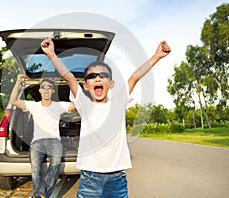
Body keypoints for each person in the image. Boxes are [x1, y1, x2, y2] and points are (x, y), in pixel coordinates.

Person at [41, 38, 171, 197]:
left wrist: (156, 56)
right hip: (90, 177)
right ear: (86, 86)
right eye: (92, 76)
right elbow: (70, 78)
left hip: (117, 178)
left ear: (111, 83)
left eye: (103, 75)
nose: (97, 78)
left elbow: (134, 77)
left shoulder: (118, 103)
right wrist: (52, 55)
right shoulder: (84, 104)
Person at [9, 75, 75, 198]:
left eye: (49, 87)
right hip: (37, 142)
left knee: (55, 163)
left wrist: (72, 83)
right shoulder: (34, 106)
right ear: (39, 90)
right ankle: (41, 194)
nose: (46, 89)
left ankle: (40, 193)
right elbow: (13, 101)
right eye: (43, 87)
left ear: (52, 91)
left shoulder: (58, 105)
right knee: (35, 167)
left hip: (54, 141)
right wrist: (18, 81)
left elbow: (76, 105)